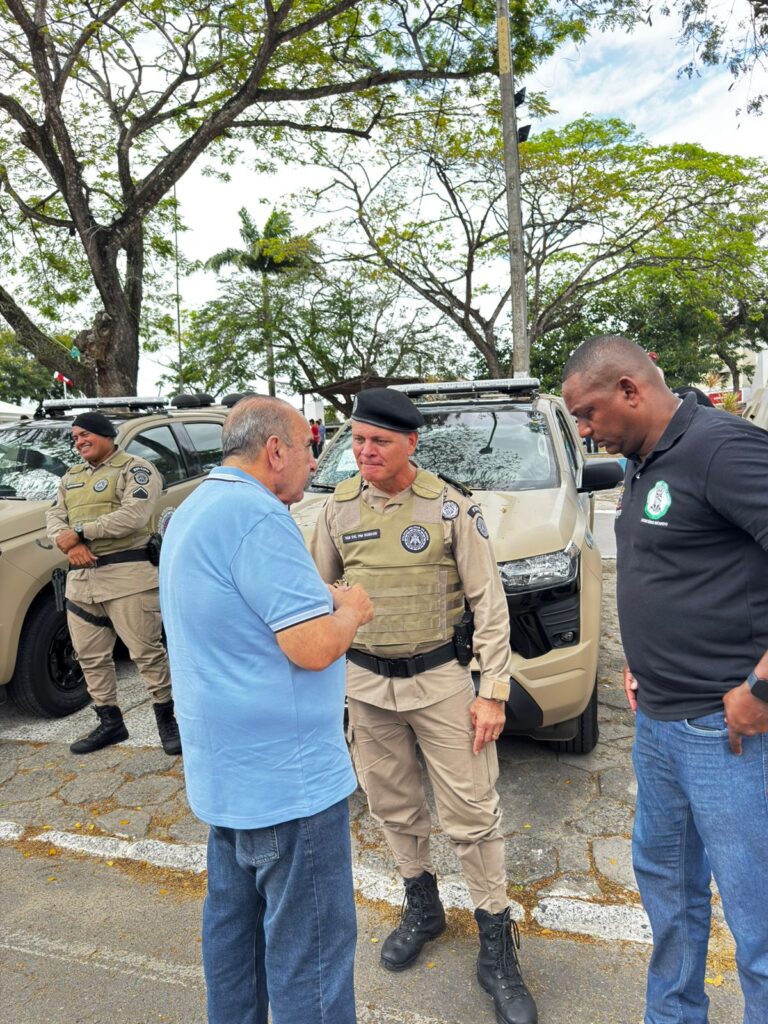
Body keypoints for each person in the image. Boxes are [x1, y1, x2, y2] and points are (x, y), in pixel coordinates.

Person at [310, 388, 538, 1024]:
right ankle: (424, 906)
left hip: (440, 681)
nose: (364, 451)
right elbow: (316, 592)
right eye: (357, 440)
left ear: (411, 443)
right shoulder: (336, 510)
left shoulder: (449, 507)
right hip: (366, 685)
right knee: (393, 804)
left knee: (472, 812)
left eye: (378, 441)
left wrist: (492, 691)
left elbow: (490, 605)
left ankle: (497, 944)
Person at [562, 335, 768, 1024]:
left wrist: (761, 689)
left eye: (588, 414)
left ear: (629, 389)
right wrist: (641, 664)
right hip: (659, 728)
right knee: (670, 901)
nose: (585, 432)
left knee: (758, 922)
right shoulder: (644, 462)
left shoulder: (721, 448)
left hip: (728, 735)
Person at [159, 396, 373, 1024]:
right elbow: (311, 647)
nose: (315, 461)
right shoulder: (259, 518)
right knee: (311, 964)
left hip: (226, 779)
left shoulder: (195, 507)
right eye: (309, 447)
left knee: (233, 951)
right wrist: (351, 611)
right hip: (290, 786)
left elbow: (245, 617)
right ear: (275, 451)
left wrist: (319, 604)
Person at [45, 412, 181, 756]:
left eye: (85, 434)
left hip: (128, 578)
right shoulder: (71, 477)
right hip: (81, 582)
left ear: (106, 434)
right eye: (75, 437)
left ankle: (168, 721)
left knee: (146, 654)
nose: (79, 441)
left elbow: (134, 515)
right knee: (89, 656)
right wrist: (71, 544)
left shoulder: (136, 469)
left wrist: (81, 532)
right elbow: (54, 516)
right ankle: (110, 722)